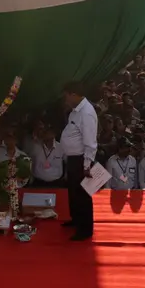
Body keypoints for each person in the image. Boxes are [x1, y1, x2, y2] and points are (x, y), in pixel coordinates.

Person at [59, 81, 98, 241]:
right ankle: (76, 219)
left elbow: (90, 141)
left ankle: (85, 229)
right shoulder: (76, 111)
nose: (65, 99)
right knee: (73, 191)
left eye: (67, 95)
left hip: (82, 158)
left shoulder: (86, 112)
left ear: (73, 94)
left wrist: (87, 164)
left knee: (82, 194)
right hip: (73, 157)